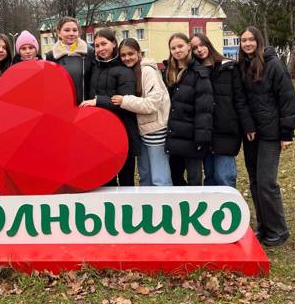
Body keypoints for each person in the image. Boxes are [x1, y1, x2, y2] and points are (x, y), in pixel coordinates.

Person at [239, 26, 295, 246]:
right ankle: (263, 226)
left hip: (271, 134)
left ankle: (278, 229)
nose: (247, 44)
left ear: (259, 41)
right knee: (254, 181)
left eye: (251, 40)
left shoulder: (273, 65)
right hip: (252, 134)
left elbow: (288, 100)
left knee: (266, 182)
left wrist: (287, 133)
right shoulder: (243, 66)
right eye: (243, 40)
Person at [190, 33, 255, 188]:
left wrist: (248, 125)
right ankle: (212, 212)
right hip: (205, 132)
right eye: (194, 48)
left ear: (208, 44)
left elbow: (240, 99)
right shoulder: (195, 71)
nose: (199, 50)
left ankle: (229, 211)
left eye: (201, 45)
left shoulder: (229, 67)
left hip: (226, 130)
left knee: (224, 177)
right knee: (210, 177)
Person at [80, 28, 140, 186]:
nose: (100, 49)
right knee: (106, 180)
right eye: (97, 45)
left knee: (126, 180)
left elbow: (125, 103)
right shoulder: (95, 68)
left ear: (114, 43)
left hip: (122, 132)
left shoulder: (124, 71)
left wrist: (98, 101)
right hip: (100, 134)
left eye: (104, 44)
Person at [111, 39, 172, 186]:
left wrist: (124, 101)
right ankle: (149, 207)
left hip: (155, 129)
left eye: (131, 54)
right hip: (142, 130)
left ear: (139, 53)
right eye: (123, 55)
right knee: (145, 176)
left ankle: (163, 205)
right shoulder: (130, 72)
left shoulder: (148, 72)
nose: (127, 58)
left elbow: (152, 104)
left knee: (159, 177)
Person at [164, 33, 214, 186]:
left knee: (194, 181)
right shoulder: (168, 72)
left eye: (180, 46)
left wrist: (202, 138)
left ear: (188, 46)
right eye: (173, 48)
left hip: (192, 138)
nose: (177, 50)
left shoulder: (199, 73)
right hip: (174, 136)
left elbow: (204, 109)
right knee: (175, 179)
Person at [46, 17, 94, 105]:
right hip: (61, 104)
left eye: (74, 30)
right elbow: (50, 84)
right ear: (58, 33)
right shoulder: (51, 55)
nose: (71, 33)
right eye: (67, 30)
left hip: (85, 104)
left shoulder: (89, 52)